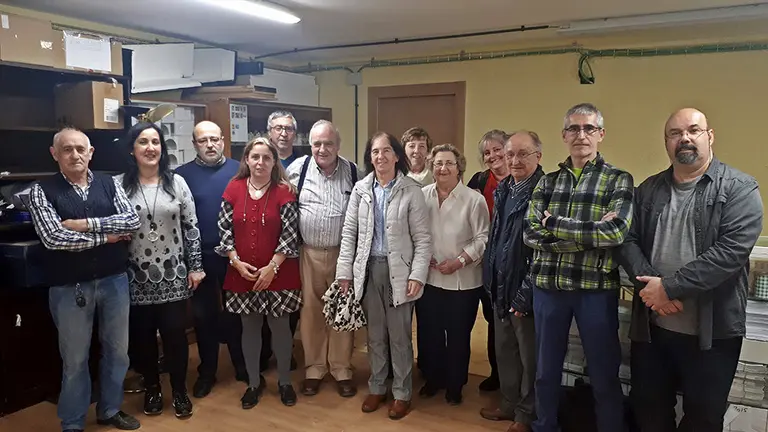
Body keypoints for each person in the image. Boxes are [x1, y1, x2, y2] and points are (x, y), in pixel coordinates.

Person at [618, 108, 763, 432]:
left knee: (703, 418)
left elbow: (730, 253)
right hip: (653, 329)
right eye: (674, 133)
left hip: (713, 334)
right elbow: (627, 240)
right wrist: (652, 289)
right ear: (666, 142)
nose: (684, 138)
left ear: (709, 136)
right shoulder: (648, 189)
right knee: (649, 409)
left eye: (693, 130)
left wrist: (668, 288)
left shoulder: (740, 188)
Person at [523, 103, 634, 432]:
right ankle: (545, 426)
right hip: (548, 289)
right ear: (563, 135)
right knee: (546, 371)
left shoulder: (618, 179)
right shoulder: (548, 182)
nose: (580, 135)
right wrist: (589, 234)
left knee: (603, 373)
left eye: (588, 128)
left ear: (600, 134)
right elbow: (531, 233)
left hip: (595, 292)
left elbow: (615, 233)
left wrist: (554, 224)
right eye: (573, 128)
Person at [26, 128, 141, 432]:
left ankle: (110, 409)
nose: (75, 155)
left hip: (114, 281)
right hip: (68, 286)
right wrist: (108, 237)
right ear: (55, 154)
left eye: (81, 149)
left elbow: (132, 220)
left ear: (91, 153)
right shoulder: (40, 190)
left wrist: (84, 225)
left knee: (117, 352)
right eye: (67, 149)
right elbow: (54, 238)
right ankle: (73, 422)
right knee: (75, 360)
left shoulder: (109, 183)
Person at [336, 132, 431, 420]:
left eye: (387, 150)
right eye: (375, 152)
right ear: (370, 157)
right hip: (367, 269)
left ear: (397, 156)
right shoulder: (361, 189)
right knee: (375, 335)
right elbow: (349, 233)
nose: (381, 157)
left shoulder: (410, 190)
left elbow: (423, 239)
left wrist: (417, 274)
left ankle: (402, 392)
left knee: (399, 336)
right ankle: (377, 386)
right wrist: (345, 272)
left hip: (399, 272)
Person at [117, 122, 204, 419]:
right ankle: (152, 388)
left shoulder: (176, 183)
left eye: (156, 142)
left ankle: (179, 390)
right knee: (142, 339)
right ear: (132, 149)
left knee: (175, 337)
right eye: (143, 142)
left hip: (174, 275)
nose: (151, 148)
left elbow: (191, 228)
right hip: (134, 277)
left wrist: (196, 268)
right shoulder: (119, 186)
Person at [216, 137, 302, 409]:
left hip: (280, 274)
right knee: (249, 329)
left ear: (275, 161)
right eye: (255, 157)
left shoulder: (284, 191)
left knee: (281, 331)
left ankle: (285, 381)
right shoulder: (234, 188)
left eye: (267, 157)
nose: (260, 162)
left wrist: (272, 268)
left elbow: (290, 234)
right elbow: (224, 229)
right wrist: (236, 262)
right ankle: (254, 382)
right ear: (247, 160)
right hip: (242, 274)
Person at [286, 120, 359, 398]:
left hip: (343, 254)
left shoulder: (353, 171)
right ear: (310, 145)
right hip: (309, 253)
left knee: (342, 313)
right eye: (317, 143)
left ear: (338, 145)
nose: (322, 149)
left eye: (328, 143)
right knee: (311, 313)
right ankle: (315, 368)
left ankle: (341, 369)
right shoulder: (298, 169)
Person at [176, 121, 248, 398]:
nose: (210, 145)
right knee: (204, 317)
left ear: (223, 141)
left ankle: (241, 364)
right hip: (199, 258)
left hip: (236, 257)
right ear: (194, 144)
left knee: (237, 314)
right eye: (203, 140)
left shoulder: (239, 170)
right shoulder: (181, 176)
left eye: (215, 139)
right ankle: (207, 372)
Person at [480, 131, 544, 432]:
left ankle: (526, 415)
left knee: (529, 357)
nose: (514, 160)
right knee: (504, 350)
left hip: (525, 290)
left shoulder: (545, 190)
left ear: (538, 157)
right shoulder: (503, 189)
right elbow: (496, 239)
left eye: (523, 154)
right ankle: (508, 403)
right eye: (510, 155)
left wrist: (526, 293)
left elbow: (543, 250)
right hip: (500, 286)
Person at [419, 144, 489, 405]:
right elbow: (416, 232)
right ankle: (433, 379)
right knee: (431, 334)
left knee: (458, 336)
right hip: (429, 278)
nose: (443, 168)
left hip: (464, 281)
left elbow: (483, 238)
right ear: (431, 167)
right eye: (437, 163)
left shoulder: (473, 199)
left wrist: (459, 261)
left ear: (459, 168)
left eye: (449, 163)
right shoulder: (422, 195)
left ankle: (455, 385)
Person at [467, 129, 509, 392]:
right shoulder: (479, 181)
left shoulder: (523, 180)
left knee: (505, 322)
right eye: (487, 152)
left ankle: (509, 377)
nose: (492, 155)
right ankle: (496, 373)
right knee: (491, 319)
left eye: (497, 149)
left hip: (510, 264)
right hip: (483, 263)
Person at [264, 110, 301, 371]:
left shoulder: (305, 163)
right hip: (263, 244)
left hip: (295, 245)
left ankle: (285, 351)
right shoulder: (260, 161)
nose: (283, 133)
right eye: (278, 128)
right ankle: (264, 352)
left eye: (288, 129)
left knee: (290, 302)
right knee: (262, 300)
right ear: (269, 132)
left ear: (295, 135)